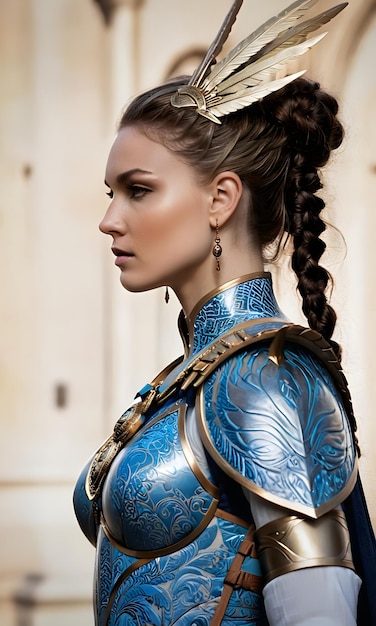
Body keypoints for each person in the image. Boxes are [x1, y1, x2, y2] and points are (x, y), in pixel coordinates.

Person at [74, 1, 376, 624]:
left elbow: (320, 614)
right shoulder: (186, 381)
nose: (110, 220)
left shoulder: (264, 378)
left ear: (220, 198)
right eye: (112, 194)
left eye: (138, 189)